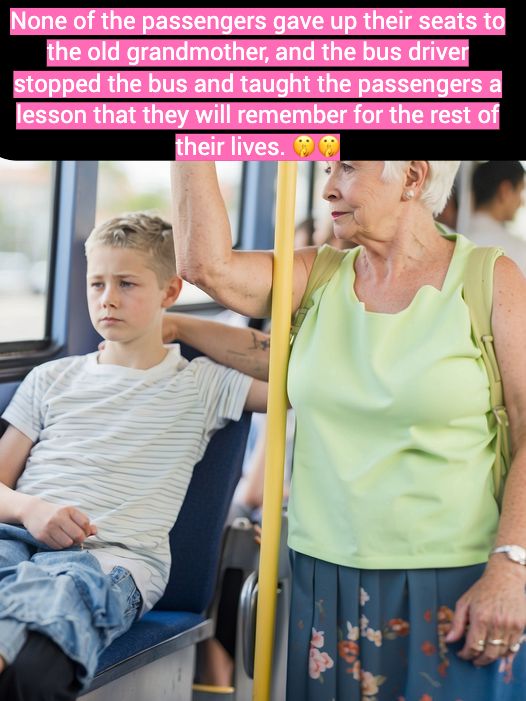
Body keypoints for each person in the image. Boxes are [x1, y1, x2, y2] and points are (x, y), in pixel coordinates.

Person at [170, 161, 526, 700]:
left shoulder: (489, 278)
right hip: (324, 573)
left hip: (457, 578)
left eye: (348, 168)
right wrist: (189, 130)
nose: (328, 186)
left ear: (412, 176)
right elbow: (207, 267)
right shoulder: (319, 274)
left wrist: (512, 566)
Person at [0, 213, 266, 700]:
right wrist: (28, 509)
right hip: (16, 537)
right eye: (97, 283)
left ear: (169, 291)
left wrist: (178, 324)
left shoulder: (200, 384)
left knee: (35, 663)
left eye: (127, 284)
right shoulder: (50, 379)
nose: (107, 299)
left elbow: (292, 377)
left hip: (109, 561)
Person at [466, 161, 526, 273]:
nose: (521, 203)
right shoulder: (519, 251)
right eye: (520, 191)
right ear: (505, 190)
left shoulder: (453, 237)